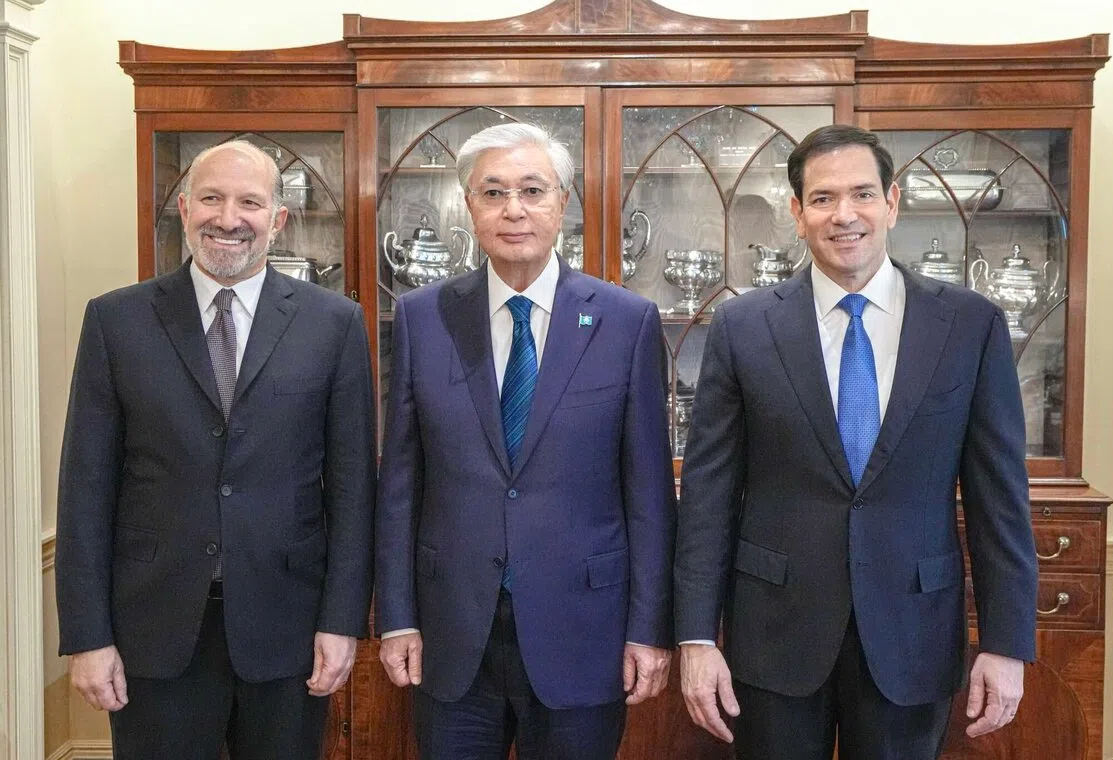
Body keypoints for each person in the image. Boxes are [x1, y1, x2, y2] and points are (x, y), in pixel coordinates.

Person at [673, 124, 1038, 759]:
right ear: (797, 211)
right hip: (775, 634)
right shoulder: (743, 326)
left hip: (912, 631)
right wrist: (696, 639)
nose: (845, 215)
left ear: (892, 202)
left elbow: (999, 499)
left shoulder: (970, 325)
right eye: (823, 198)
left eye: (863, 194)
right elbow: (708, 495)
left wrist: (1005, 643)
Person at [55, 139, 376, 759]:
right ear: (183, 206)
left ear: (278, 219)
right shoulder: (116, 321)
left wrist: (341, 623)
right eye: (212, 198)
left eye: (250, 202)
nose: (229, 218)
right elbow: (85, 491)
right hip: (154, 629)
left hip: (288, 629)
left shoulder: (333, 324)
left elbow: (352, 489)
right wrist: (87, 636)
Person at [375, 122, 676, 759]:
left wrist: (649, 631)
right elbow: (401, 483)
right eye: (493, 192)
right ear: (470, 207)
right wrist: (397, 616)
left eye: (532, 190)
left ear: (562, 203)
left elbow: (649, 495)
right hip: (453, 633)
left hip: (584, 633)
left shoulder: (626, 322)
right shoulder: (422, 318)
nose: (514, 209)